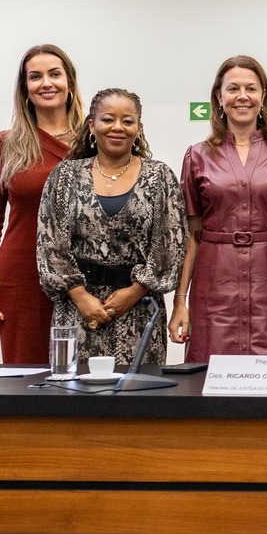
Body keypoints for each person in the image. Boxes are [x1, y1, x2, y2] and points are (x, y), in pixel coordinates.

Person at [168, 56, 267, 360]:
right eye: (233, 88)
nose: (242, 96)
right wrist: (180, 300)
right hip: (214, 283)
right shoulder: (197, 156)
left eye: (251, 88)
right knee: (208, 376)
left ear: (264, 96)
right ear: (219, 98)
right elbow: (191, 233)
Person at [37, 88, 187, 364]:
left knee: (138, 400)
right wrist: (81, 297)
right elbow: (50, 243)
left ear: (139, 129)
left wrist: (135, 291)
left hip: (140, 312)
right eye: (108, 119)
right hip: (77, 312)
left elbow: (171, 246)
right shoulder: (65, 176)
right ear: (92, 126)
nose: (117, 127)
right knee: (75, 399)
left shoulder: (160, 176)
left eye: (127, 121)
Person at [0, 44, 86, 363]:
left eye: (54, 74)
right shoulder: (7, 144)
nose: (46, 83)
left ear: (70, 82)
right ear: (25, 88)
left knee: (84, 383)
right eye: (34, 77)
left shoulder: (93, 141)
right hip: (21, 279)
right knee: (26, 379)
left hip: (84, 276)